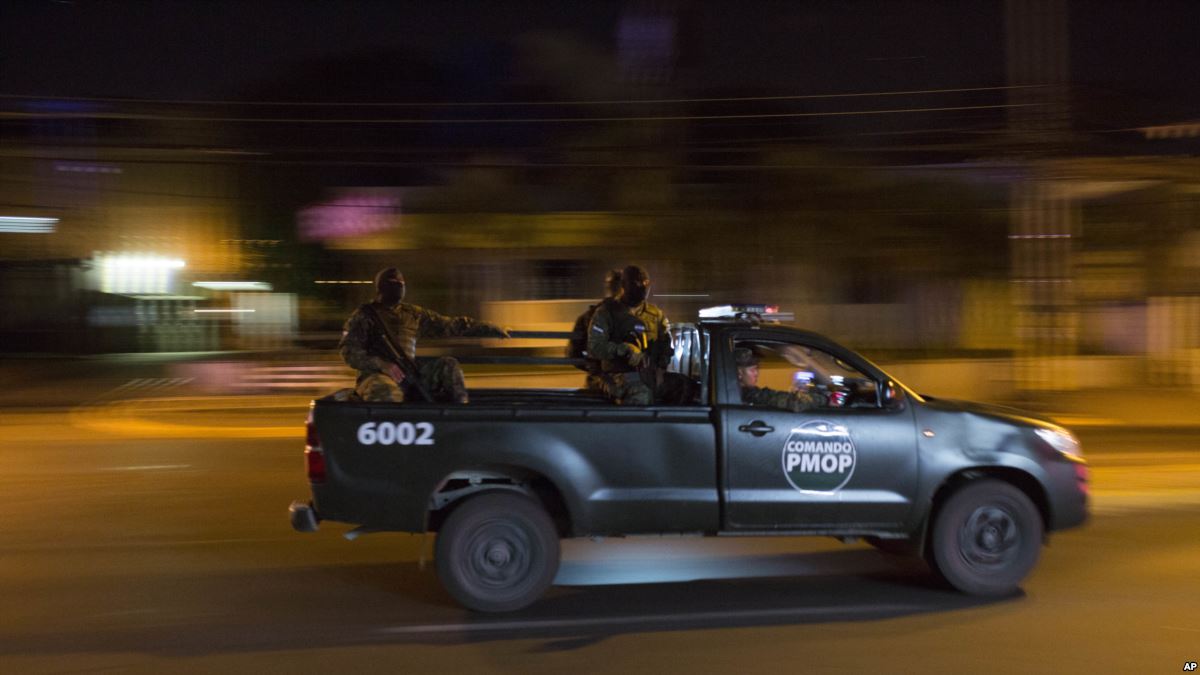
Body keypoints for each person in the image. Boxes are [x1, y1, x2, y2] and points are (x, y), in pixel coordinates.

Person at [339, 267, 509, 403]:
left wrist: (488, 328)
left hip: (409, 373)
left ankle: (458, 418)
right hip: (374, 376)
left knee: (448, 365)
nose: (399, 286)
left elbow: (450, 325)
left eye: (401, 283)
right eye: (394, 283)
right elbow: (348, 352)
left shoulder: (413, 314)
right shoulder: (365, 315)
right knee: (386, 392)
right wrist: (382, 364)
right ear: (381, 287)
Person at [587, 265, 681, 405]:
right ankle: (634, 426)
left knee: (685, 387)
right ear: (624, 285)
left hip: (649, 374)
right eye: (636, 284)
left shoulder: (655, 315)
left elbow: (665, 343)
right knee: (641, 394)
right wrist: (624, 349)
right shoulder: (606, 312)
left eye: (644, 284)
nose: (641, 288)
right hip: (617, 376)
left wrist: (661, 366)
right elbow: (594, 347)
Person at [567, 268, 623, 391]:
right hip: (619, 381)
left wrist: (594, 368)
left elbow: (572, 353)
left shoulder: (588, 315)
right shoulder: (633, 316)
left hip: (598, 378)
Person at [734, 347, 834, 412]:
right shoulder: (748, 394)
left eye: (757, 369)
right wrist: (825, 400)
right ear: (739, 374)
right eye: (752, 370)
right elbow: (795, 404)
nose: (757, 373)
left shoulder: (740, 392)